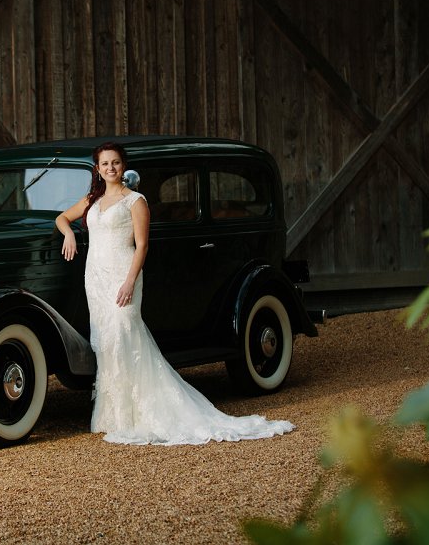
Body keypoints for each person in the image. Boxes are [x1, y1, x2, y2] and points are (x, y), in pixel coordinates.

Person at [55, 142, 294, 445]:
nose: (110, 168)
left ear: (123, 166)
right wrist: (68, 235)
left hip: (121, 273)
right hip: (96, 278)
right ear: (98, 169)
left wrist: (130, 281)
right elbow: (62, 218)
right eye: (105, 164)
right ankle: (114, 415)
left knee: (124, 333)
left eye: (115, 163)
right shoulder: (93, 199)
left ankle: (142, 414)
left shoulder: (135, 201)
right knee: (105, 342)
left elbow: (141, 245)